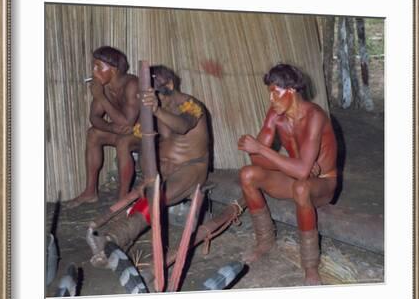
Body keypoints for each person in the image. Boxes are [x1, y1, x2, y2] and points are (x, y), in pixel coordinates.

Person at [87, 65, 210, 267]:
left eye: (157, 95)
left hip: (191, 168)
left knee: (155, 198)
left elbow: (183, 126)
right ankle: (120, 241)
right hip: (162, 169)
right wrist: (146, 175)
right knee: (146, 191)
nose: (153, 100)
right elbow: (143, 139)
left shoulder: (191, 105)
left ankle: (114, 238)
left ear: (170, 85)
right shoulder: (151, 108)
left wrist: (156, 109)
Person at [237, 63, 338, 285]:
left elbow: (300, 170)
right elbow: (256, 160)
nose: (271, 99)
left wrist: (263, 150)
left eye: (275, 92)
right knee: (247, 174)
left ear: (291, 90)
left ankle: (310, 265)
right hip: (295, 178)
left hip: (322, 184)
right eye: (270, 93)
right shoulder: (276, 115)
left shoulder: (314, 116)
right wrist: (292, 165)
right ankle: (265, 241)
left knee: (302, 187)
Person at [66, 46, 140, 207]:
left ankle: (123, 197)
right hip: (122, 131)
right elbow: (94, 117)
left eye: (98, 66)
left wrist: (100, 96)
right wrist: (111, 128)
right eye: (94, 66)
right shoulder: (104, 87)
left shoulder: (132, 84)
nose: (94, 71)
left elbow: (128, 123)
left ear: (113, 69)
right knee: (93, 134)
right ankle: (90, 192)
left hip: (143, 134)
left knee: (123, 142)